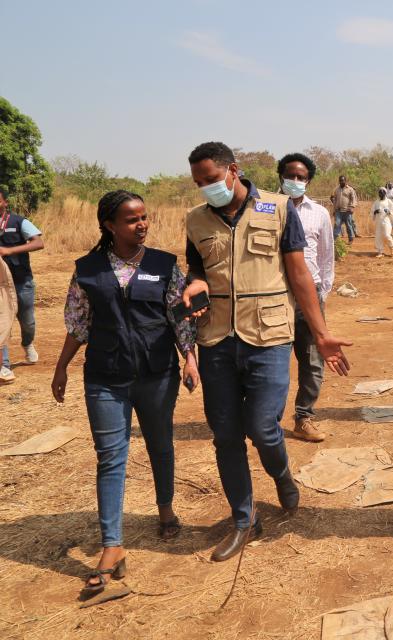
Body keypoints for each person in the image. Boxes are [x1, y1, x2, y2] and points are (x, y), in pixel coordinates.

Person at [181, 142, 351, 561]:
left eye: (211, 179)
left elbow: (299, 275)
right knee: (225, 436)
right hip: (217, 339)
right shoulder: (195, 220)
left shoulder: (278, 209)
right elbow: (197, 267)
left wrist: (320, 332)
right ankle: (244, 519)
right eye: (199, 183)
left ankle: (282, 475)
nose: (206, 188)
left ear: (233, 171)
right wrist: (196, 282)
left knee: (263, 426)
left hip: (269, 336)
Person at [50, 190, 199, 599]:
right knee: (110, 457)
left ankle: (165, 507)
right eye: (132, 219)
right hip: (105, 375)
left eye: (145, 217)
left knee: (159, 443)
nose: (142, 224)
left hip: (156, 374)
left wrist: (190, 358)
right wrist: (61, 366)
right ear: (109, 225)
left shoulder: (164, 265)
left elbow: (178, 316)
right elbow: (78, 322)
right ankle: (112, 545)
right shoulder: (87, 269)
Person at [277, 153, 335, 443]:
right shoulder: (265, 209)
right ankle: (268, 419)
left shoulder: (320, 213)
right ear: (280, 177)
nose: (296, 182)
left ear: (309, 180)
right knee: (275, 359)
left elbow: (326, 257)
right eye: (291, 176)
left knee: (312, 359)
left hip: (310, 295)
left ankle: (304, 417)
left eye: (301, 177)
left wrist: (322, 292)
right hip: (276, 295)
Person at [0, 188, 44, 381]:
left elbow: (38, 243)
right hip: (0, 285)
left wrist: (10, 251)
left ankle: (27, 343)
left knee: (27, 322)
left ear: (4, 203)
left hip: (21, 281)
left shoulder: (19, 222)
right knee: (2, 323)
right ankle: (4, 365)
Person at [331, 175, 358, 244]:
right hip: (338, 211)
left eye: (343, 180)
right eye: (340, 180)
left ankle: (351, 239)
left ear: (345, 181)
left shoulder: (350, 189)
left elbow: (354, 199)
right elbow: (335, 200)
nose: (341, 182)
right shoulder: (336, 190)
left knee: (348, 225)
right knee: (337, 224)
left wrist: (352, 207)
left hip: (347, 211)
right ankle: (335, 240)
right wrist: (334, 210)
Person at [371, 187, 393, 258]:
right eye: (379, 192)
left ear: (385, 193)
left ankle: (392, 247)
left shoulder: (388, 201)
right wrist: (375, 212)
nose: (380, 194)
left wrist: (389, 212)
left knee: (386, 235)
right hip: (378, 222)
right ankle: (380, 252)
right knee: (379, 236)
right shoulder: (376, 202)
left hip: (386, 221)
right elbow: (372, 211)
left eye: (382, 192)